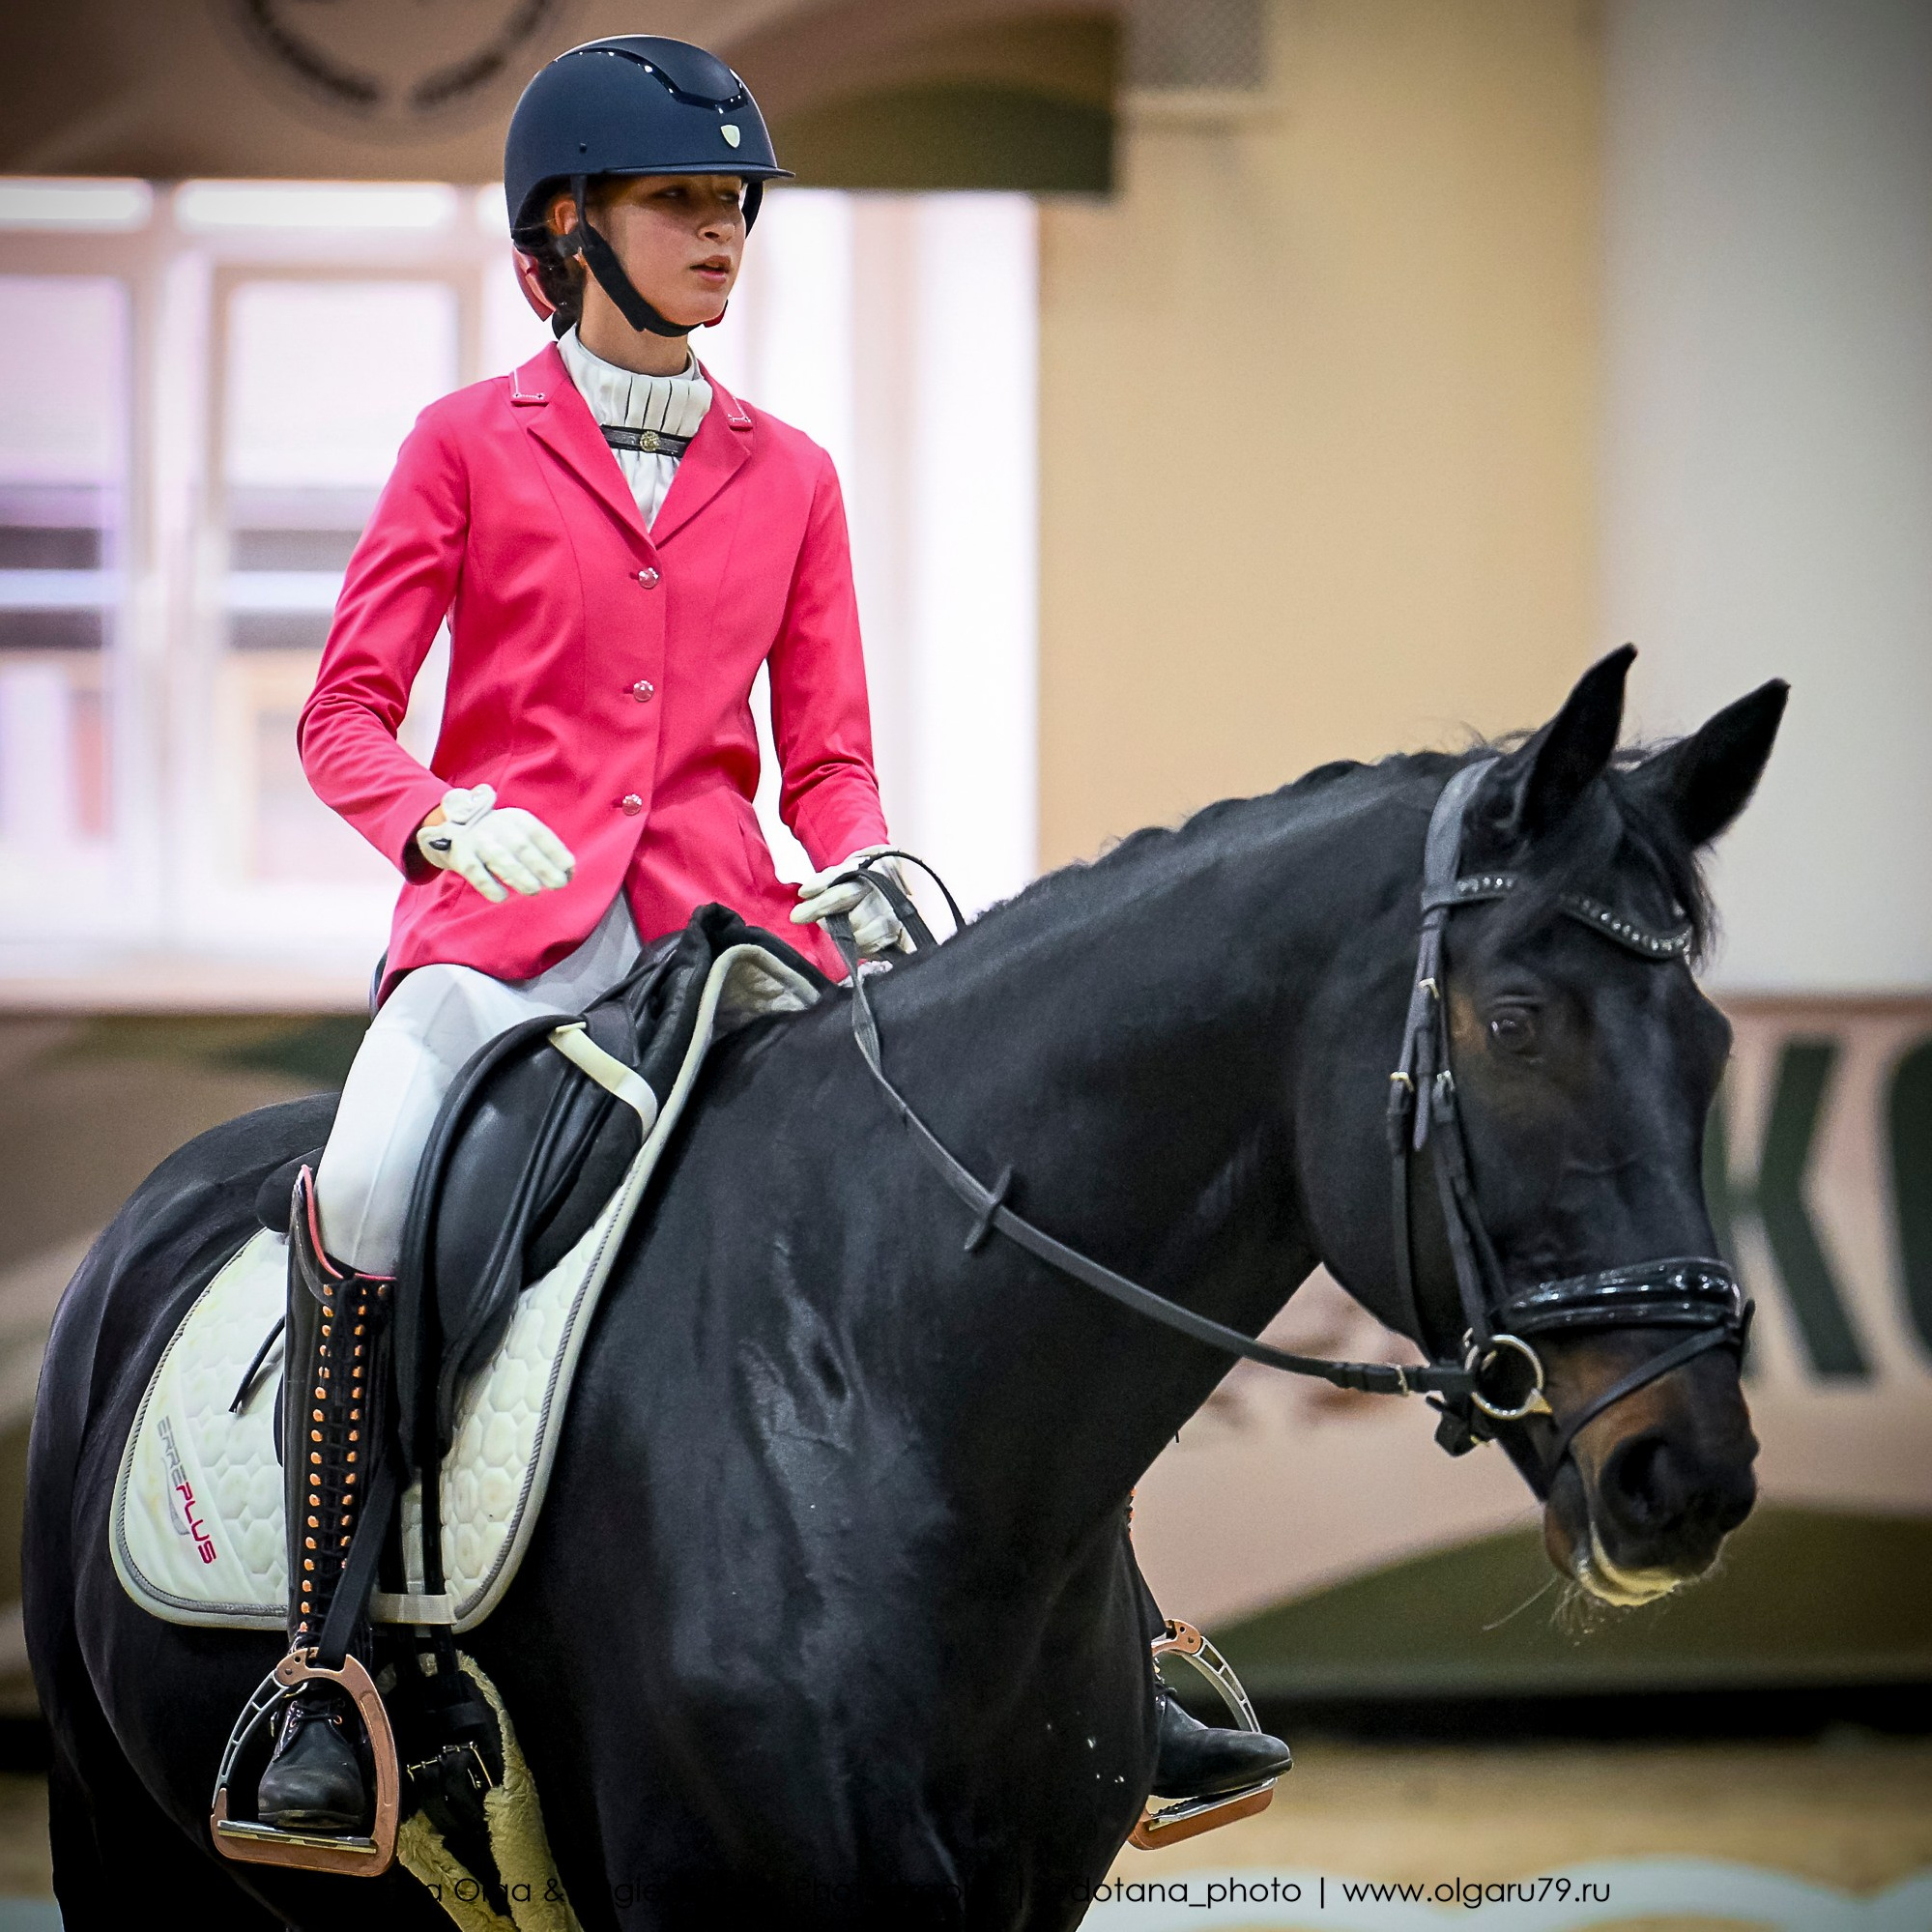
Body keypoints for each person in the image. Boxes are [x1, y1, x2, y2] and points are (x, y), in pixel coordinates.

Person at [246, 33, 1289, 1842]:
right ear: (565, 229)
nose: (724, 233)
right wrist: (430, 817)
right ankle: (326, 1671)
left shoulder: (790, 472)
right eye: (679, 203)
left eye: (734, 204)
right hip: (511, 935)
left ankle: (1123, 1634)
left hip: (732, 932)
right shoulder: (462, 448)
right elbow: (343, 711)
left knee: (968, 1209)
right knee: (371, 1182)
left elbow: (830, 756)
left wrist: (868, 856)